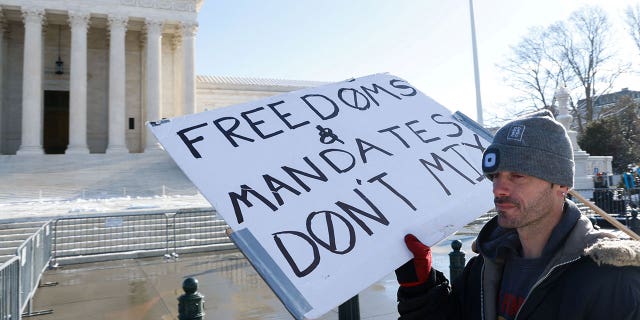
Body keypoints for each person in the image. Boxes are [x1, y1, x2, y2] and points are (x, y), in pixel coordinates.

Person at [395, 110, 640, 320]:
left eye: (517, 176)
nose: (498, 189)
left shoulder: (611, 276)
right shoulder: (482, 268)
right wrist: (420, 287)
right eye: (495, 176)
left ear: (561, 185)